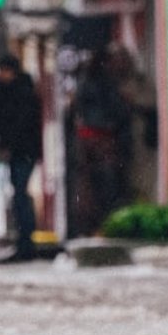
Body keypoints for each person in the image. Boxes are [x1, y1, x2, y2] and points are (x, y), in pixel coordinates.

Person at [68, 48, 132, 237]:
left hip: (86, 137)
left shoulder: (83, 83)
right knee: (107, 182)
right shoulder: (106, 83)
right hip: (103, 137)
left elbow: (76, 109)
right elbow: (117, 110)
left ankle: (91, 226)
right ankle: (107, 224)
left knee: (88, 184)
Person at [0, 53, 43, 260]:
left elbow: (18, 124)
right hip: (20, 150)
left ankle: (26, 243)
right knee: (19, 194)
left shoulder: (21, 92)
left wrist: (4, 143)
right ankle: (24, 241)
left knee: (20, 194)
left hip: (23, 151)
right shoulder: (12, 90)